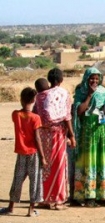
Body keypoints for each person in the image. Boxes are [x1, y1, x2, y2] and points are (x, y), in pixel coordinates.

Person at [72, 67, 105, 208]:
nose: (94, 81)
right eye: (91, 78)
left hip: (104, 131)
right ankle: (89, 195)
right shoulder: (80, 92)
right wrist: (89, 95)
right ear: (86, 79)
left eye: (97, 78)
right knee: (90, 161)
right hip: (88, 133)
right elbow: (79, 111)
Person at [1, 87, 47, 217]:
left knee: (18, 179)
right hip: (33, 153)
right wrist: (43, 157)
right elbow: (37, 138)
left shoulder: (15, 114)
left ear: (21, 99)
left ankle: (11, 207)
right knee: (35, 181)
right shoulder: (35, 118)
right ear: (34, 100)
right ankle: (31, 210)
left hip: (21, 152)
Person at [33, 69, 75, 210]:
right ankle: (58, 200)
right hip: (58, 134)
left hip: (43, 135)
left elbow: (35, 115)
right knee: (59, 166)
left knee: (45, 166)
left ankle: (44, 198)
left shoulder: (40, 96)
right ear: (61, 79)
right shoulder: (64, 94)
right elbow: (67, 117)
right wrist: (72, 136)